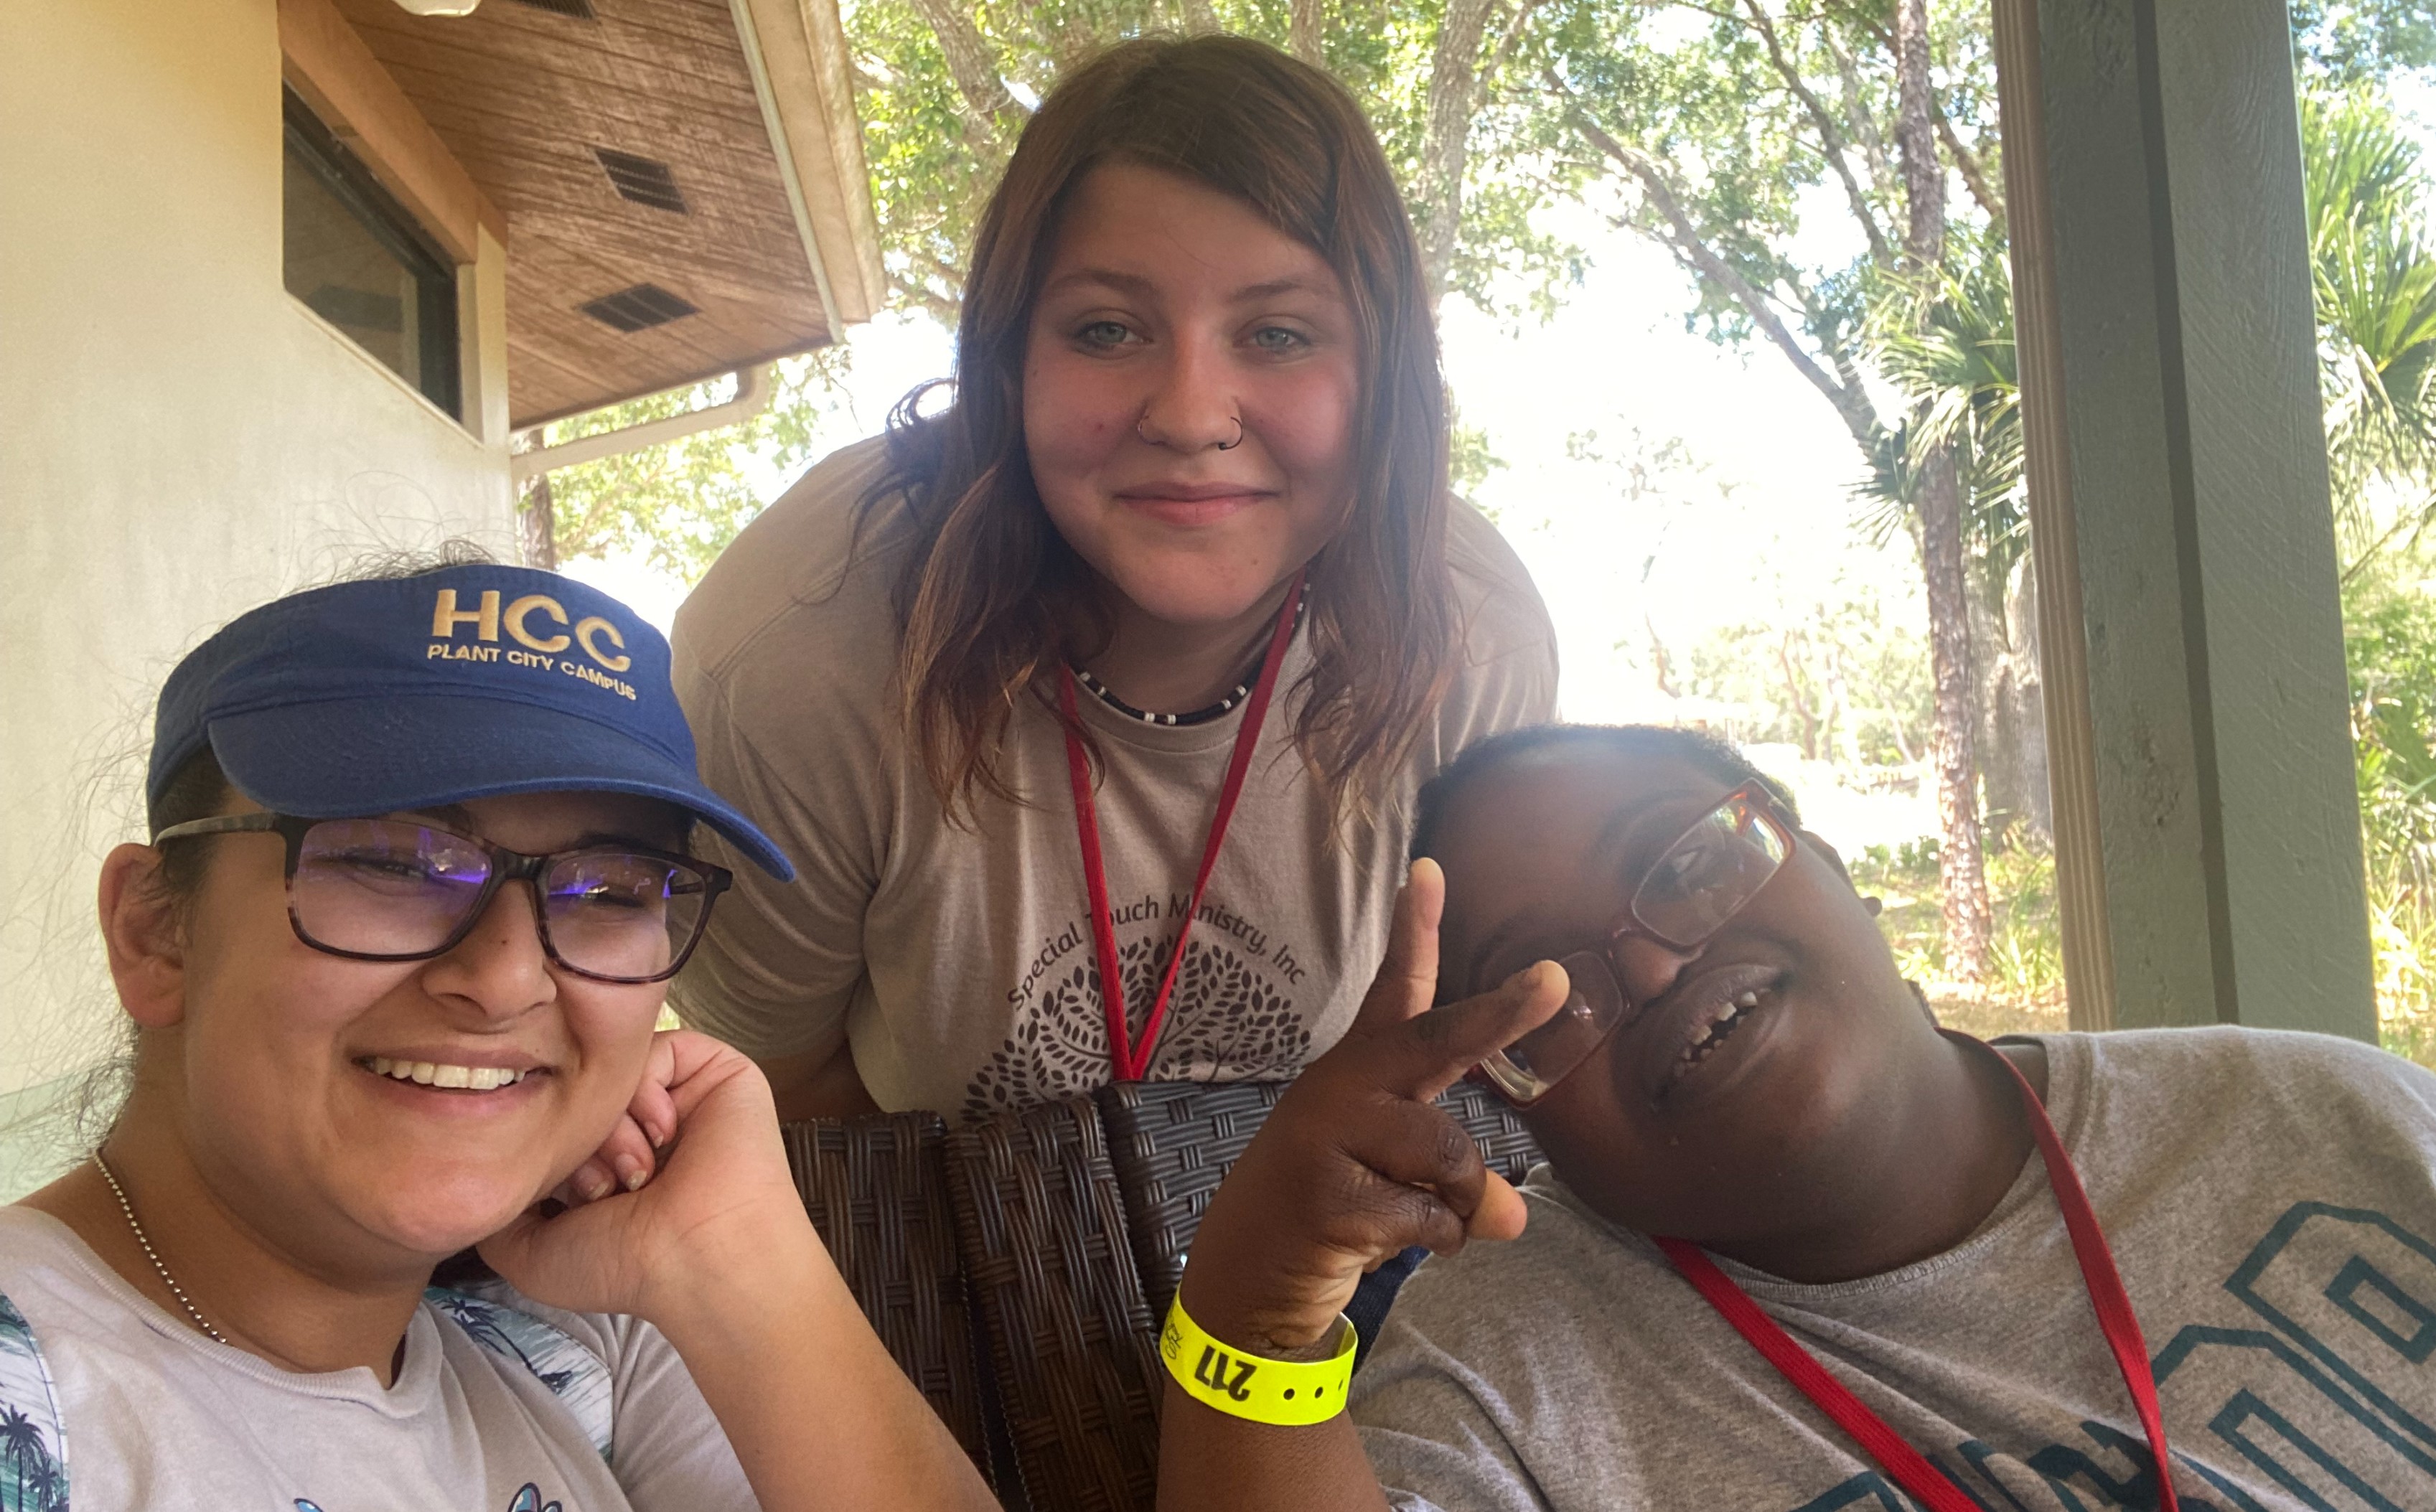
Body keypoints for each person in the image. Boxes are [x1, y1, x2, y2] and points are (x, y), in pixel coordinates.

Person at [1154, 723, 2436, 1511]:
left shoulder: (2326, 1113)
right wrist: (1245, 1325)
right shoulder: (1501, 1376)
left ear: (1828, 866)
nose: (1651, 967)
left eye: (1688, 862)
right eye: (1538, 992)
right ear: (1512, 1114)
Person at [669, 34, 1557, 1124]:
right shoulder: (798, 651)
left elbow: (1439, 1041)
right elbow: (774, 1084)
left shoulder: (1472, 639)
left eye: (1278, 333)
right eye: (1105, 328)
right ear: (1005, 365)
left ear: (1387, 381)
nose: (1190, 415)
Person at [1, 559, 998, 1512]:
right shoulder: (32, 1402)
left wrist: (738, 1261)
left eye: (609, 889)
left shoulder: (583, 1352)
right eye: (392, 864)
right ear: (154, 930)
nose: (508, 978)